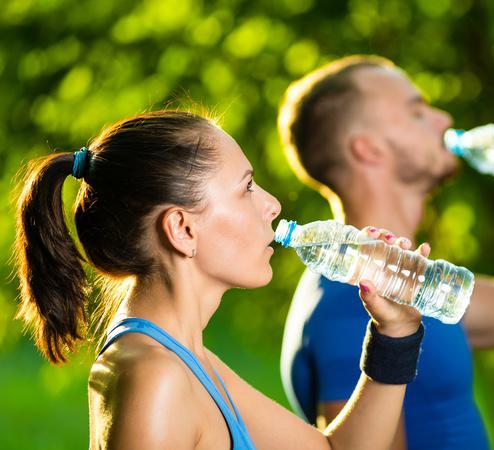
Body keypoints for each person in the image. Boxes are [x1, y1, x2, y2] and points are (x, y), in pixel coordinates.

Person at [13, 110, 429, 449]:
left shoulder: (186, 360)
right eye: (246, 187)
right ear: (182, 229)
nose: (272, 204)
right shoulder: (156, 378)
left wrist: (395, 331)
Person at [278, 55, 494, 449]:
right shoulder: (354, 294)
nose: (442, 119)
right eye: (417, 112)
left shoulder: (409, 281)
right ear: (368, 149)